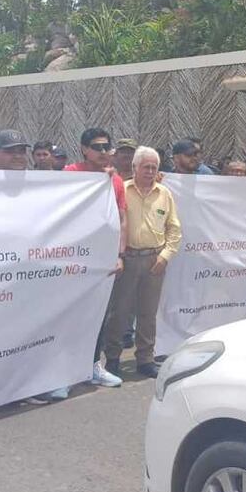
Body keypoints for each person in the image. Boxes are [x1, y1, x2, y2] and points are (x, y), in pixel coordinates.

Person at [103, 146, 181, 378]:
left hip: (154, 260)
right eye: (145, 167)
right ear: (134, 167)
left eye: (153, 167)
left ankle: (145, 359)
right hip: (127, 259)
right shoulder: (120, 189)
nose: (149, 171)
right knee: (119, 312)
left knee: (148, 313)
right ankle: (113, 359)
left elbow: (174, 229)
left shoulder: (164, 194)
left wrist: (165, 256)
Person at [66, 128, 128, 388]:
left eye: (106, 147)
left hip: (104, 260)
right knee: (71, 316)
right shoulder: (69, 174)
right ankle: (64, 372)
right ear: (83, 149)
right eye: (97, 147)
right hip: (74, 259)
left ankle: (93, 367)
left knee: (98, 315)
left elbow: (122, 219)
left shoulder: (115, 181)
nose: (103, 152)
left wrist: (120, 254)